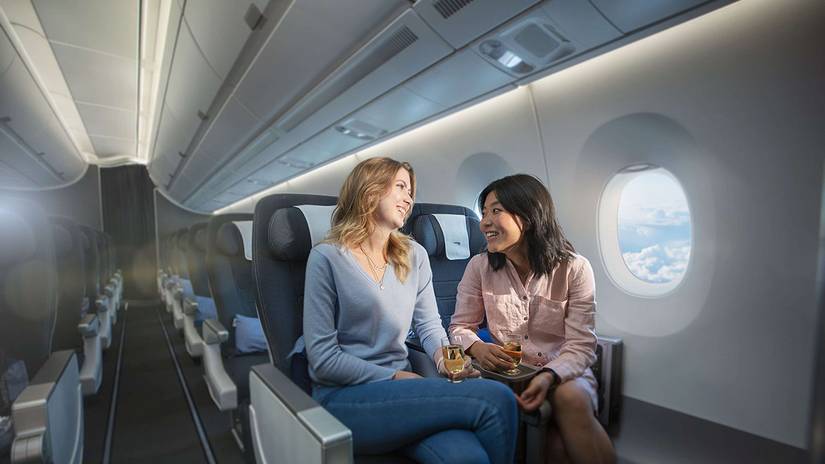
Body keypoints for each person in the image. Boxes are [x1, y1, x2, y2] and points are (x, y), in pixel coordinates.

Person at [303, 157, 518, 464]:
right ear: (369, 190)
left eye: (410, 190)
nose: (409, 199)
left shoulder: (414, 255)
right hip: (345, 398)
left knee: (467, 457)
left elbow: (429, 325)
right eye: (400, 187)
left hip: (403, 391)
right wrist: (396, 377)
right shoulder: (326, 258)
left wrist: (448, 361)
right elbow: (324, 360)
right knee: (497, 397)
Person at [449, 174, 616, 464]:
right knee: (554, 449)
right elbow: (460, 326)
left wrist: (549, 375)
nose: (484, 222)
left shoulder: (575, 268)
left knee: (569, 400)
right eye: (484, 212)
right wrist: (477, 347)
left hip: (563, 370)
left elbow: (580, 347)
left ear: (527, 217)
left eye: (496, 211)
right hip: (509, 373)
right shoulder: (479, 267)